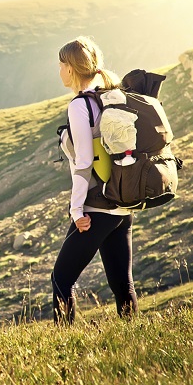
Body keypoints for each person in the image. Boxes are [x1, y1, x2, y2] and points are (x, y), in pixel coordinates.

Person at [52, 36, 137, 324]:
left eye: (61, 65)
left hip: (96, 206)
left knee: (61, 279)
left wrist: (77, 211)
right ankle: (134, 337)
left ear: (71, 69)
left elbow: (84, 162)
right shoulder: (110, 96)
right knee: (121, 284)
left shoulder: (80, 106)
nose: (59, 71)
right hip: (121, 205)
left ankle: (64, 343)